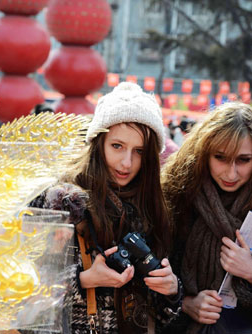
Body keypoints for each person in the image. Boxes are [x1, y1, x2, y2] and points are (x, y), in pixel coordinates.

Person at [30, 82, 182, 333]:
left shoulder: (156, 208)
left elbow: (162, 316)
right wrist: (83, 280)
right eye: (117, 146)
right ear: (98, 142)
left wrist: (172, 290)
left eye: (140, 151)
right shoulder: (59, 200)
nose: (126, 162)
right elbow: (22, 287)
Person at [161, 102, 252, 333]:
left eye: (243, 160)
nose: (231, 173)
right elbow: (150, 283)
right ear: (204, 153)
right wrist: (185, 303)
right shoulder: (175, 199)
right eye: (220, 158)